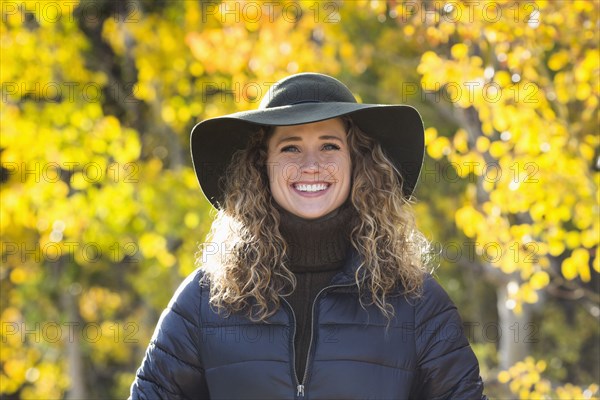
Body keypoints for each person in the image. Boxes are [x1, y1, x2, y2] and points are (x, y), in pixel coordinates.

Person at [130, 73, 487, 399]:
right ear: (260, 165)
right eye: (290, 147)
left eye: (329, 146)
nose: (311, 165)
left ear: (357, 161)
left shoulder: (416, 302)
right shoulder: (204, 302)